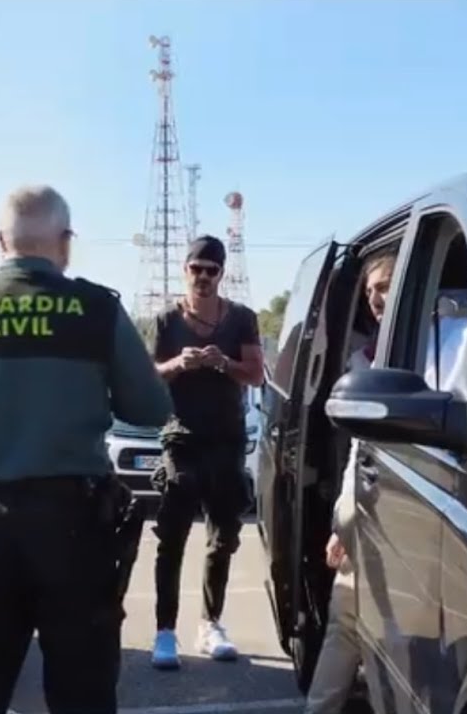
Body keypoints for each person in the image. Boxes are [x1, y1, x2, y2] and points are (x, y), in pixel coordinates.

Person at [0, 185, 172, 714]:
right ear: (65, 241)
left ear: (0, 240)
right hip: (73, 522)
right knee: (82, 689)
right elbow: (151, 407)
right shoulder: (97, 310)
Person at [149, 235, 266, 670]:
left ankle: (210, 623)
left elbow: (256, 374)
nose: (202, 277)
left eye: (211, 270)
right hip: (181, 437)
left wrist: (223, 363)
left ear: (221, 274)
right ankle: (165, 631)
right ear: (185, 270)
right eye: (196, 269)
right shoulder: (166, 320)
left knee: (223, 537)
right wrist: (178, 364)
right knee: (172, 536)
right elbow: (150, 374)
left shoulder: (241, 319)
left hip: (226, 439)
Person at [304, 252, 394, 714]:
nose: (377, 298)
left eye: (387, 286)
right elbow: (360, 450)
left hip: (408, 514)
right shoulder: (366, 359)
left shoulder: (444, 345)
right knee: (345, 622)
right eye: (372, 290)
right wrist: (343, 522)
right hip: (368, 508)